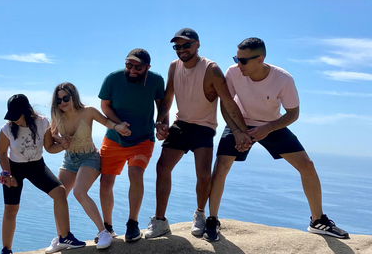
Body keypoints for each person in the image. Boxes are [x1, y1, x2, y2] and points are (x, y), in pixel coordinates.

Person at [205, 37, 349, 241]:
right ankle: (212, 219)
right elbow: (227, 104)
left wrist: (268, 128)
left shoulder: (283, 79)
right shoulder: (233, 72)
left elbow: (293, 113)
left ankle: (318, 221)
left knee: (307, 165)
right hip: (239, 123)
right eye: (236, 59)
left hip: (271, 125)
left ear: (260, 59)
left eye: (243, 60)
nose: (238, 64)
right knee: (221, 166)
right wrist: (239, 132)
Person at [145, 28, 252, 239]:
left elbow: (228, 102)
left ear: (197, 45)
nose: (182, 50)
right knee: (162, 167)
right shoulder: (174, 66)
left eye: (186, 45)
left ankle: (200, 214)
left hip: (204, 127)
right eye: (177, 46)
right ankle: (160, 221)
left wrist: (242, 132)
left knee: (203, 174)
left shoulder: (211, 69)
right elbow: (168, 98)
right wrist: (160, 122)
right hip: (181, 123)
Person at [0, 93, 85, 254]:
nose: (14, 120)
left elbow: (49, 147)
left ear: (27, 111)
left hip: (37, 166)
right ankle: (6, 251)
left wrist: (63, 146)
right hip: (14, 168)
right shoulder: (6, 129)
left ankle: (65, 237)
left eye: (17, 116)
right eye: (12, 117)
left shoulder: (42, 122)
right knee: (11, 209)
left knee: (60, 192)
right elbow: (1, 153)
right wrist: (7, 174)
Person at [98, 48, 165, 242]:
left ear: (147, 67)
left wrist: (162, 124)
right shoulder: (113, 79)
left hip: (142, 138)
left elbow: (162, 106)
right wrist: (117, 125)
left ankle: (132, 223)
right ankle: (107, 227)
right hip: (113, 138)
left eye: (138, 67)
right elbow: (105, 106)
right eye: (129, 65)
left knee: (135, 174)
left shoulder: (156, 80)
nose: (132, 70)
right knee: (106, 182)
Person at [50, 82, 120, 249]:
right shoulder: (57, 116)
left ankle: (104, 232)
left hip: (89, 158)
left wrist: (120, 127)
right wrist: (61, 140)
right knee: (58, 194)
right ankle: (62, 238)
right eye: (58, 100)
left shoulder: (88, 111)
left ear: (73, 96)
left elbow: (107, 123)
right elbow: (52, 134)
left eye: (65, 98)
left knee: (79, 192)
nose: (62, 102)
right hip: (69, 159)